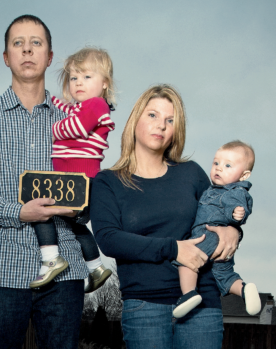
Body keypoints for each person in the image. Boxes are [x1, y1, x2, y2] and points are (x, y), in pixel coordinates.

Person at [0, 15, 89, 349]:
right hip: (2, 268)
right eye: (18, 43)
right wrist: (18, 212)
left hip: (65, 269)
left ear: (50, 56)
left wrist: (80, 206)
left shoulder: (73, 121)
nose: (27, 49)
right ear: (6, 57)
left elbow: (88, 187)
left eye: (36, 43)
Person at [90, 84, 241, 349]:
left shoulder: (191, 173)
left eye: (170, 120)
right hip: (144, 305)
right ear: (135, 119)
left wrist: (234, 231)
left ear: (175, 131)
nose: (161, 125)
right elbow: (109, 239)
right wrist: (173, 250)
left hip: (202, 302)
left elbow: (222, 213)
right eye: (152, 115)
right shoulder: (108, 182)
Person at [29, 47, 115, 292]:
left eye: (87, 77)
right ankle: (96, 267)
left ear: (105, 83)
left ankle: (51, 259)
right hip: (75, 180)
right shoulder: (81, 106)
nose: (79, 83)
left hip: (78, 179)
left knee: (40, 210)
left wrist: (50, 130)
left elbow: (76, 127)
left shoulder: (97, 105)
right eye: (74, 77)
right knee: (76, 225)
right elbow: (65, 108)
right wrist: (46, 98)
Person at [172, 140, 260, 318]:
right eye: (216, 163)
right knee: (223, 274)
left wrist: (236, 214)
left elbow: (239, 206)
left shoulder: (234, 191)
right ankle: (244, 289)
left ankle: (189, 293)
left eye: (228, 165)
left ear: (244, 175)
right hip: (222, 245)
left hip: (209, 236)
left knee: (187, 260)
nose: (219, 168)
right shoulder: (214, 189)